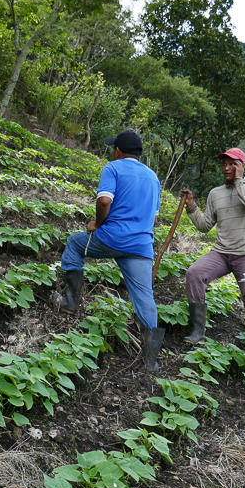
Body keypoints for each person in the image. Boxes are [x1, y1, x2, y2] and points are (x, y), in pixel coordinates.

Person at [55, 130, 166, 372]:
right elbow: (154, 218)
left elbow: (104, 201)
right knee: (145, 298)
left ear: (117, 150)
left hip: (111, 239)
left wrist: (97, 224)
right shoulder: (153, 177)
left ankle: (69, 302)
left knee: (75, 244)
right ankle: (151, 361)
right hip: (141, 246)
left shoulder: (113, 168)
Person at [180, 147, 245, 367]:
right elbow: (204, 225)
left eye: (232, 164)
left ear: (242, 166)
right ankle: (197, 329)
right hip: (221, 252)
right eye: (225, 164)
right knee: (194, 273)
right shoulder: (215, 193)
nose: (227, 168)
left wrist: (238, 182)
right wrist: (192, 206)